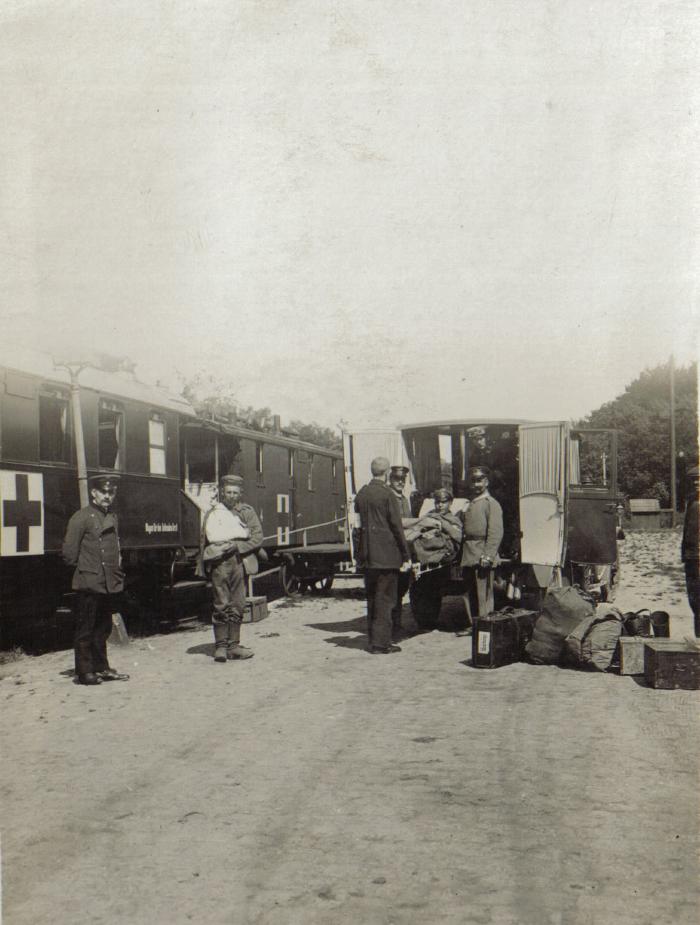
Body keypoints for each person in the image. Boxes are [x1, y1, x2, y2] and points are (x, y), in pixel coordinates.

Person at [62, 474, 130, 686]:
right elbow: (69, 553)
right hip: (90, 581)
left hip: (108, 582)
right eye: (104, 492)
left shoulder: (113, 517)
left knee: (103, 628)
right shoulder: (81, 517)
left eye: (111, 492)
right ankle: (84, 672)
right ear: (93, 493)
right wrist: (87, 569)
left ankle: (102, 668)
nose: (108, 496)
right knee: (86, 628)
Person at [198, 474, 263, 662]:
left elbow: (257, 537)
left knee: (238, 603)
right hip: (220, 563)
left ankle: (233, 646)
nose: (232, 495)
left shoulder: (247, 512)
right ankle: (220, 647)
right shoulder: (214, 512)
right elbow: (206, 538)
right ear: (222, 492)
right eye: (228, 492)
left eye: (235, 492)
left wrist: (239, 547)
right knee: (221, 603)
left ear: (240, 493)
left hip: (239, 561)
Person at [354, 457, 411, 654]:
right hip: (387, 556)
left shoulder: (361, 494)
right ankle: (382, 644)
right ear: (387, 473)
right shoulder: (388, 495)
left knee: (372, 598)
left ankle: (373, 640)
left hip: (368, 556)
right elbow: (397, 526)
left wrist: (359, 554)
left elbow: (357, 526)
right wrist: (406, 554)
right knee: (386, 600)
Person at [409, 488, 464, 631]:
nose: (440, 505)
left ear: (450, 503)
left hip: (441, 559)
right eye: (437, 502)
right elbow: (418, 528)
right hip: (424, 555)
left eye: (443, 502)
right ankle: (422, 622)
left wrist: (442, 525)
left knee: (434, 591)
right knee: (420, 590)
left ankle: (431, 621)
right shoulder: (429, 516)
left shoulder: (454, 519)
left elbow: (458, 536)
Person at [457, 466, 504, 635]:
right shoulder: (470, 503)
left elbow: (496, 532)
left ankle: (485, 626)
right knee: (469, 592)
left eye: (479, 480)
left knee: (483, 593)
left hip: (482, 553)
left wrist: (488, 555)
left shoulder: (491, 504)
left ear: (487, 482)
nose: (476, 484)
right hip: (469, 553)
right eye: (473, 481)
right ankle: (473, 624)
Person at [388, 464, 411, 640]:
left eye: (402, 480)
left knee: (401, 588)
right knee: (391, 590)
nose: (400, 482)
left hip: (403, 549)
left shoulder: (404, 499)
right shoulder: (389, 497)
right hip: (392, 549)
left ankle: (397, 623)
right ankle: (391, 626)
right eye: (397, 479)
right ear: (390, 479)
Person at [681, 465, 699, 636]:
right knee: (694, 601)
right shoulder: (693, 502)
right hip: (691, 558)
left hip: (697, 558)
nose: (697, 483)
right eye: (694, 480)